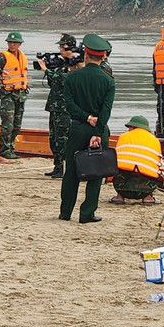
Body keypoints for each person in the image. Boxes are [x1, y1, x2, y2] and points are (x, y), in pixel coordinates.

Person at [59, 33, 116, 224]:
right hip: (98, 130)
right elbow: (106, 111)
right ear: (102, 57)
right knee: (96, 171)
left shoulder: (72, 77)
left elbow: (68, 104)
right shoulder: (108, 81)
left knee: (71, 171)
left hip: (77, 128)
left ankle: (65, 212)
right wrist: (98, 131)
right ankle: (87, 213)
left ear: (85, 55)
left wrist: (86, 117)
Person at [36, 33, 79, 178]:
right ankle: (57, 166)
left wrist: (46, 70)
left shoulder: (75, 65)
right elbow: (53, 82)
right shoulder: (63, 64)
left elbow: (64, 80)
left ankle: (63, 167)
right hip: (55, 106)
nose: (61, 49)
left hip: (64, 108)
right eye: (60, 47)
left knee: (62, 138)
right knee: (54, 138)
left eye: (63, 47)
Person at [110, 115, 164, 205]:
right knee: (151, 169)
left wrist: (108, 178)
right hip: (146, 189)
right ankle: (148, 198)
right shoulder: (155, 140)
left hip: (122, 188)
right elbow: (159, 164)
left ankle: (119, 197)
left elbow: (115, 160)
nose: (128, 129)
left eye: (129, 127)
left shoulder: (123, 137)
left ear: (133, 127)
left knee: (121, 168)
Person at [0, 31, 29, 159]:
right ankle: (4, 149)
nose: (12, 44)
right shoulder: (2, 57)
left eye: (15, 42)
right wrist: (2, 93)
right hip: (8, 95)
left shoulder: (22, 56)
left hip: (21, 94)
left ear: (20, 44)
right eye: (10, 42)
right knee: (8, 124)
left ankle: (11, 148)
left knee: (17, 124)